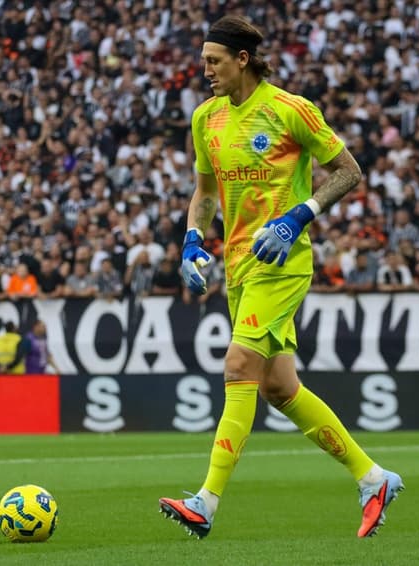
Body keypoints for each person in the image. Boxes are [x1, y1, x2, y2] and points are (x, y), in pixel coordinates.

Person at [158, 15, 403, 540]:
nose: (205, 71)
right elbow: (203, 193)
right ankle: (373, 477)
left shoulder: (291, 110)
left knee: (238, 365)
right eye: (204, 61)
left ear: (242, 60)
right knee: (277, 385)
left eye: (214, 62)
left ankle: (205, 501)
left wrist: (298, 217)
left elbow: (348, 171)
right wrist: (193, 241)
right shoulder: (207, 119)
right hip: (239, 266)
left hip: (283, 262)